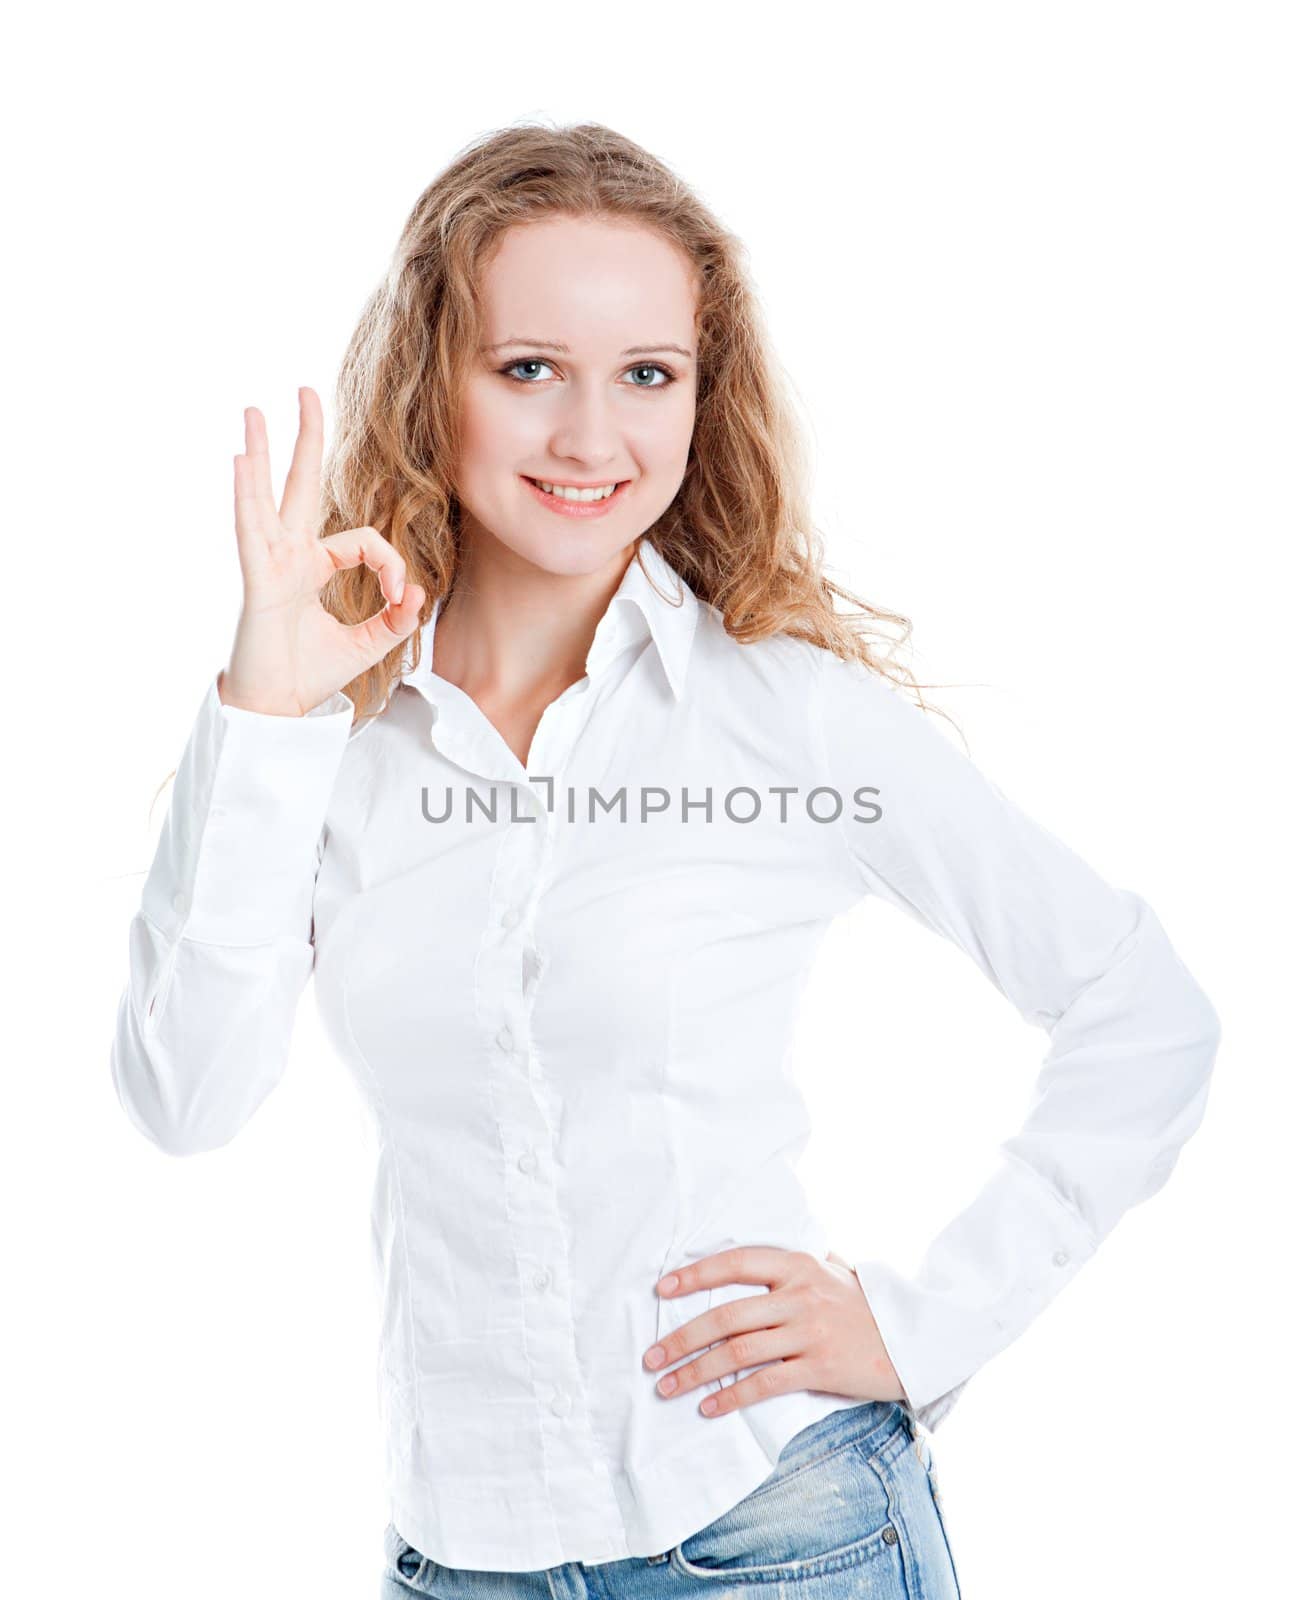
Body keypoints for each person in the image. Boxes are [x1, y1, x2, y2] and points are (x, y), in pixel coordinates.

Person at [111, 122, 1220, 1600]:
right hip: (461, 1561)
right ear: (429, 381)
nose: (590, 439)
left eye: (647, 375)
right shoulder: (317, 741)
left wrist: (922, 1321)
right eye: (527, 370)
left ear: (705, 396)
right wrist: (263, 712)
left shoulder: (779, 713)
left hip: (779, 1535)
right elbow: (186, 1100)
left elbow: (1141, 1006)